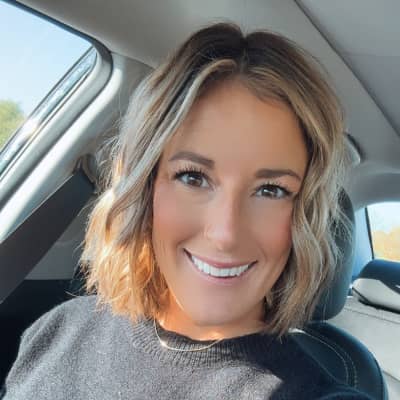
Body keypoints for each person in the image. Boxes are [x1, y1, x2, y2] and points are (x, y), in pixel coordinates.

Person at [2, 23, 372, 399]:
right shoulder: (56, 332)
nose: (225, 233)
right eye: (193, 177)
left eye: (271, 190)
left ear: (304, 215)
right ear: (144, 185)